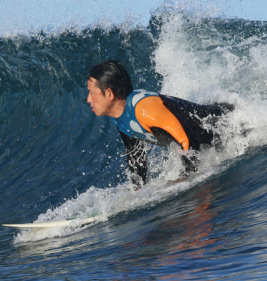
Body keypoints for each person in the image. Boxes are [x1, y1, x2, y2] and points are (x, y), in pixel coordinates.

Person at [85, 60, 234, 188]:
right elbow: (136, 156)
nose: (88, 99)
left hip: (227, 122)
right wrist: (138, 192)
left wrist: (183, 178)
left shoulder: (146, 109)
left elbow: (189, 140)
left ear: (109, 94)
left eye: (91, 93)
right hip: (212, 137)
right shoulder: (119, 115)